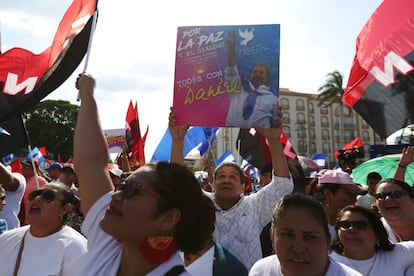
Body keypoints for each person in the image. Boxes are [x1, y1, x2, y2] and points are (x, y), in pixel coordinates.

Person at [73, 73, 217, 275]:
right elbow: (90, 164)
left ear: (167, 219)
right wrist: (88, 94)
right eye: (123, 187)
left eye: (132, 190)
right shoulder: (107, 244)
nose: (114, 196)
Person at [169, 107, 294, 269]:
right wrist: (178, 141)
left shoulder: (255, 206)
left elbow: (282, 186)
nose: (226, 180)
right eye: (221, 176)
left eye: (233, 177)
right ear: (212, 185)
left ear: (243, 187)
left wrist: (274, 140)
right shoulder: (201, 204)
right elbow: (178, 183)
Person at [249, 193, 362, 275]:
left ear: (327, 241)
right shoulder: (261, 271)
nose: (298, 248)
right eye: (287, 235)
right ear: (272, 237)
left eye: (310, 237)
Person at [0, 182, 87, 275]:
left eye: (48, 196)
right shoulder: (6, 239)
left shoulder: (76, 247)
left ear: (65, 209)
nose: (37, 199)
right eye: (34, 195)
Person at [330, 205, 414, 275]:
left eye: (361, 225)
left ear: (377, 233)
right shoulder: (325, 263)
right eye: (345, 225)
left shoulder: (398, 254)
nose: (352, 230)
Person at [224, 31, 279, 129]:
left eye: (261, 73)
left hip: (259, 137)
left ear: (267, 79)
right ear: (250, 75)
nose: (257, 74)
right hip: (233, 133)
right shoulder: (237, 90)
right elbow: (232, 70)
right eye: (255, 72)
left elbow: (275, 123)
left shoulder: (273, 99)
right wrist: (230, 48)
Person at [305, 169, 367, 245]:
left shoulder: (351, 228)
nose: (354, 199)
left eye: (355, 195)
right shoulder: (309, 227)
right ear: (328, 194)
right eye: (348, 193)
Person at [374, 178, 414, 242]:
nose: (387, 199)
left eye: (396, 194)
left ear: (412, 199)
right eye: (380, 196)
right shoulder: (371, 234)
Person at [0, 163, 26, 229]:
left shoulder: (18, 177)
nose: (3, 203)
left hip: (7, 231)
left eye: (3, 198)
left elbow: (9, 182)